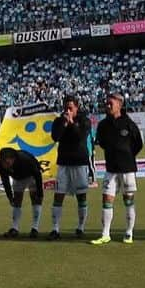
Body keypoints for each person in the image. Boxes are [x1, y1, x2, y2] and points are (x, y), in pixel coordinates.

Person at [91, 92, 143, 246]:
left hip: (127, 169)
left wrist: (126, 154)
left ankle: (129, 233)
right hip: (111, 168)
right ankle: (105, 233)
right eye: (107, 103)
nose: (107, 106)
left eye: (110, 103)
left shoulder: (128, 123)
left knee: (128, 200)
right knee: (107, 199)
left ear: (119, 105)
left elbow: (138, 144)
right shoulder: (103, 125)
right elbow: (101, 143)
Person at [49, 95, 94, 239]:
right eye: (66, 107)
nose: (67, 110)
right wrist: (65, 124)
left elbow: (80, 137)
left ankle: (81, 227)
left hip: (79, 162)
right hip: (63, 163)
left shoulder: (84, 120)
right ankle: (55, 229)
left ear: (76, 107)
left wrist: (72, 123)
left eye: (70, 108)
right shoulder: (58, 121)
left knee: (81, 196)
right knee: (58, 195)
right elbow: (55, 137)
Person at [0, 147, 44, 238]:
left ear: (13, 159)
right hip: (17, 178)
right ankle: (15, 228)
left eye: (7, 163)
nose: (4, 165)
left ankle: (35, 228)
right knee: (16, 202)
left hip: (31, 175)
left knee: (35, 199)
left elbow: (37, 174)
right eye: (3, 162)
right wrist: (10, 197)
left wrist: (40, 193)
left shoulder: (26, 159)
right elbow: (5, 181)